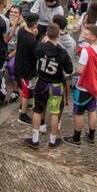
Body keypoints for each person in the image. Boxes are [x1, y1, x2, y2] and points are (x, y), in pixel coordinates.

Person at [25, 22, 72, 151]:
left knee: (37, 110)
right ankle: (52, 140)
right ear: (59, 34)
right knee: (55, 112)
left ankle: (35, 139)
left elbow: (36, 53)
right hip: (56, 84)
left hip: (41, 82)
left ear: (46, 34)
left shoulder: (40, 47)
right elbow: (69, 69)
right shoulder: (62, 53)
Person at [63, 23, 97, 147]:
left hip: (84, 86)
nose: (84, 35)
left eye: (86, 34)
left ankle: (76, 138)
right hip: (95, 84)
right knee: (92, 110)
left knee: (79, 112)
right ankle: (91, 136)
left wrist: (71, 74)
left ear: (93, 36)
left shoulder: (86, 52)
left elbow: (80, 71)